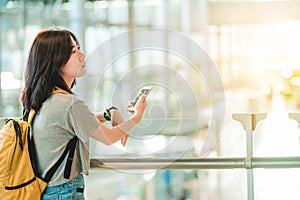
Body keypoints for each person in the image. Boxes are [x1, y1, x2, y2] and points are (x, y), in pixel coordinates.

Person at [20, 28, 147, 199]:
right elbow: (108, 137)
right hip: (65, 192)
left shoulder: (44, 99)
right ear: (56, 60)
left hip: (46, 190)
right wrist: (137, 117)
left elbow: (70, 124)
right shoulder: (69, 104)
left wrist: (108, 114)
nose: (82, 55)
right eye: (74, 51)